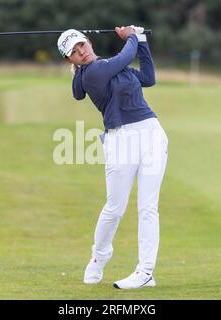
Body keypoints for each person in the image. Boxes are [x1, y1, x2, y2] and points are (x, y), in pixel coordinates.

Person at [57, 26, 168, 289]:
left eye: (81, 45)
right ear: (69, 60)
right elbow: (124, 57)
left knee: (148, 207)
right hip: (120, 140)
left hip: (151, 133)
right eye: (74, 52)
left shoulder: (112, 68)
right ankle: (100, 256)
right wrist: (131, 36)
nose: (81, 52)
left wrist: (141, 41)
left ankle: (146, 271)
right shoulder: (91, 73)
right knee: (115, 207)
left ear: (88, 42)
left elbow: (149, 78)